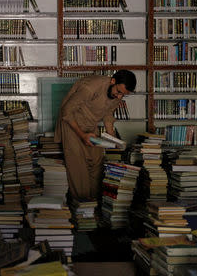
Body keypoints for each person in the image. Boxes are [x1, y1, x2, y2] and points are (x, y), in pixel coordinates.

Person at [54, 70, 136, 201]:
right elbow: (66, 111)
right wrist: (82, 135)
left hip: (91, 125)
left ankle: (94, 204)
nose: (119, 97)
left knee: (97, 162)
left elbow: (108, 115)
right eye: (119, 92)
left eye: (123, 95)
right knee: (78, 167)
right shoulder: (91, 86)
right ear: (113, 81)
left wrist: (112, 138)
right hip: (71, 123)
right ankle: (82, 207)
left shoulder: (117, 94)